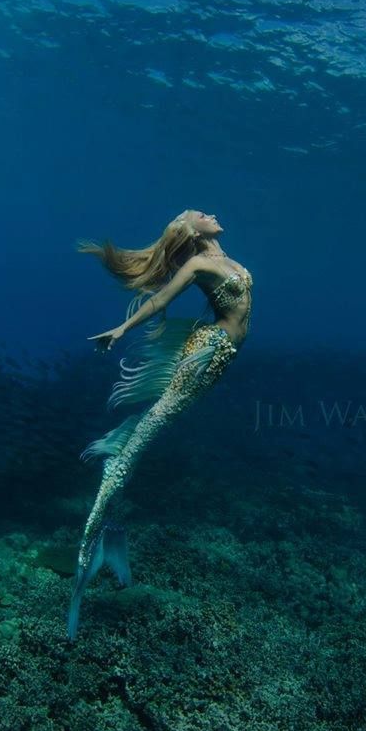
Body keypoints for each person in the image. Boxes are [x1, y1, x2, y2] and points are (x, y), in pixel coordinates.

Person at [67, 209, 253, 638]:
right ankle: (88, 550)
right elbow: (160, 301)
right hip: (207, 353)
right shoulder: (198, 264)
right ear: (190, 230)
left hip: (217, 353)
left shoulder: (223, 258)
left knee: (149, 433)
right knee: (145, 435)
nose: (209, 213)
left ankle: (108, 519)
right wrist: (120, 329)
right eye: (198, 214)